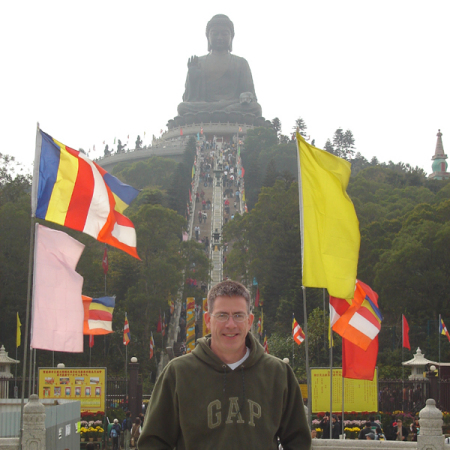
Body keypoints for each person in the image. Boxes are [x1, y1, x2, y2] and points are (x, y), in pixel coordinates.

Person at [138, 280, 311, 449]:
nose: (230, 324)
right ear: (207, 320)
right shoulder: (178, 373)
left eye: (238, 315)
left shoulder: (278, 373)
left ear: (249, 321)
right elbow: (153, 442)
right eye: (222, 315)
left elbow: (298, 441)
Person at [177, 15, 262, 117]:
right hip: (207, 107)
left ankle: (221, 113)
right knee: (182, 107)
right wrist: (193, 78)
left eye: (224, 34)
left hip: (232, 105)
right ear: (208, 36)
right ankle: (221, 113)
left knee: (256, 108)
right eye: (215, 34)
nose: (220, 37)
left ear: (232, 36)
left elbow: (250, 94)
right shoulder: (199, 62)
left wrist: (246, 96)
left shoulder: (241, 62)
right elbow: (189, 99)